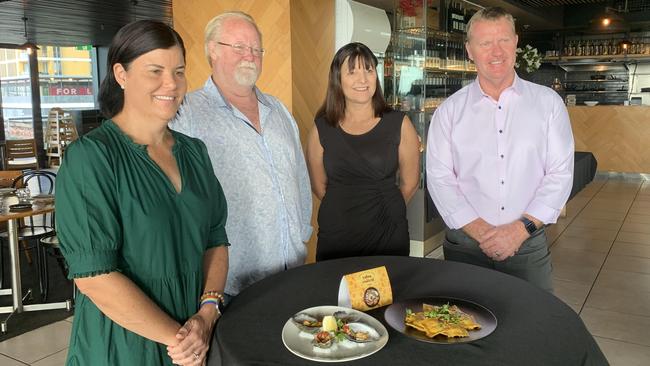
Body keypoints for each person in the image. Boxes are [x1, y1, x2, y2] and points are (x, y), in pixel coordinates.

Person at [56, 20, 229, 365]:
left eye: (179, 71)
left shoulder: (195, 152)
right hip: (123, 345)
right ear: (121, 74)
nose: (172, 84)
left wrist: (208, 312)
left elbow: (215, 239)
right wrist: (181, 341)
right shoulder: (92, 158)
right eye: (155, 71)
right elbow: (95, 277)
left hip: (193, 335)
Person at [426, 7, 574, 292]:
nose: (496, 51)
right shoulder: (449, 111)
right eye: (485, 43)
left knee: (533, 325)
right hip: (465, 246)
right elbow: (440, 177)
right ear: (470, 50)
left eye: (503, 40)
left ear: (516, 42)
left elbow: (560, 174)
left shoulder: (548, 104)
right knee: (461, 328)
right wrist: (483, 233)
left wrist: (518, 231)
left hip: (527, 244)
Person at [172, 12, 312, 298]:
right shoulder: (186, 113)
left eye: (255, 48)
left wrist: (302, 234)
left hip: (293, 272)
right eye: (239, 47)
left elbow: (300, 177)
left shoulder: (279, 110)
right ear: (213, 50)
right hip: (231, 285)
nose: (249, 55)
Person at [306, 42, 420, 261]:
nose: (362, 80)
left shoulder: (399, 123)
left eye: (368, 70)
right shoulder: (322, 128)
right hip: (337, 233)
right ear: (337, 80)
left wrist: (384, 207)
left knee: (391, 293)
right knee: (335, 292)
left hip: (387, 231)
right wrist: (349, 207)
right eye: (352, 72)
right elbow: (319, 186)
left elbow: (411, 183)